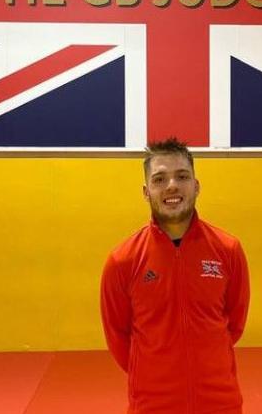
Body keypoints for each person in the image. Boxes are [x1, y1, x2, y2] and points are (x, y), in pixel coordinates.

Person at [100, 137, 250, 414]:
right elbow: (117, 336)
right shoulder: (122, 260)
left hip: (220, 402)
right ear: (146, 191)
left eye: (182, 176)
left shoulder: (228, 249)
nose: (172, 186)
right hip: (152, 405)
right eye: (159, 179)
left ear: (196, 185)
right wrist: (152, 372)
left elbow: (235, 323)